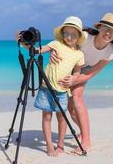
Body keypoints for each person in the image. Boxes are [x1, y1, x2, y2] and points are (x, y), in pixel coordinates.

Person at [50, 13, 113, 154]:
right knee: (70, 109)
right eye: (106, 28)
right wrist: (53, 51)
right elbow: (64, 42)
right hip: (67, 64)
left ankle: (86, 142)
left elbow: (90, 73)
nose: (108, 32)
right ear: (99, 27)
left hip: (84, 70)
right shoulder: (85, 37)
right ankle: (83, 133)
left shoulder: (111, 53)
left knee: (77, 96)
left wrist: (74, 79)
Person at [17, 16, 87, 156]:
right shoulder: (56, 44)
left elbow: (78, 71)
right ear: (62, 34)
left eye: (73, 34)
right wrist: (23, 41)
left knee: (62, 118)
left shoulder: (79, 54)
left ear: (79, 36)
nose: (69, 37)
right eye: (66, 33)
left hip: (62, 90)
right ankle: (49, 145)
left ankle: (60, 145)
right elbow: (36, 51)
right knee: (46, 117)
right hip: (45, 87)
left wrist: (73, 78)